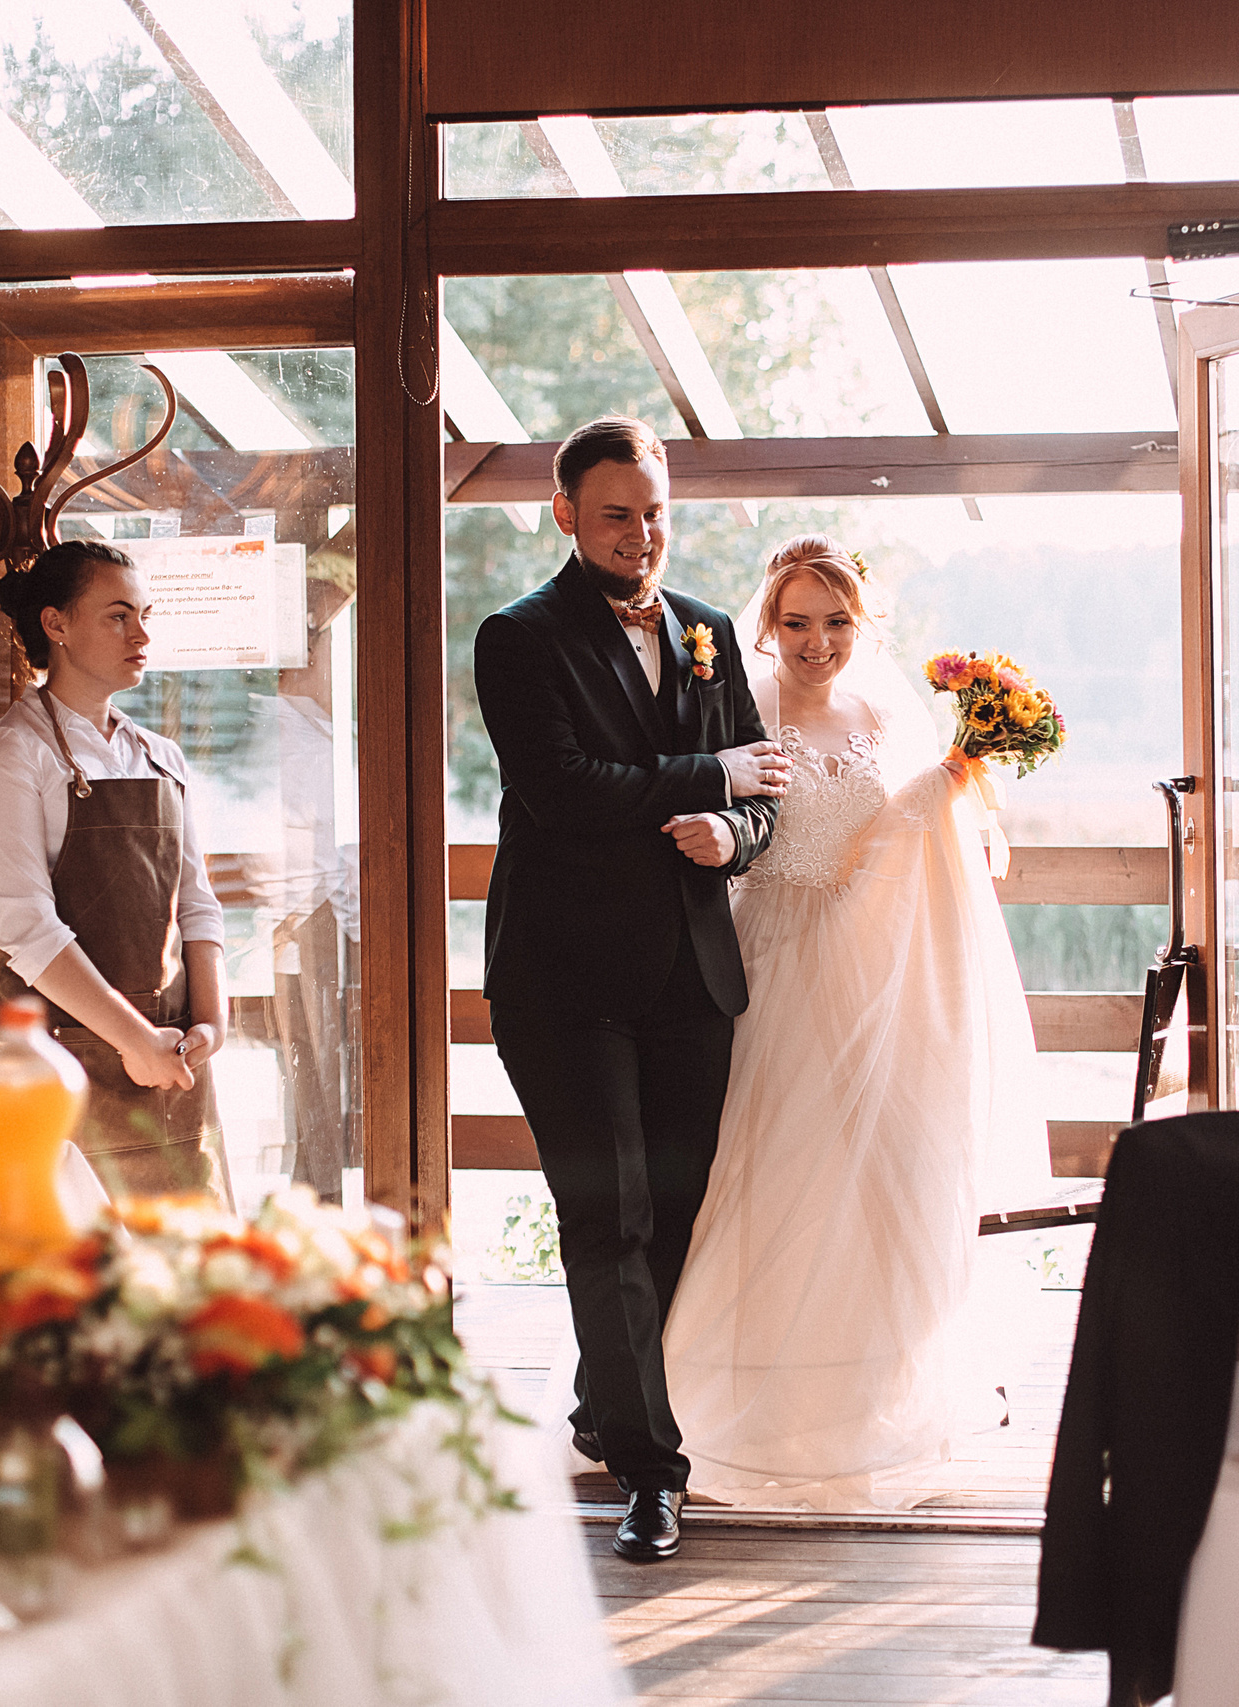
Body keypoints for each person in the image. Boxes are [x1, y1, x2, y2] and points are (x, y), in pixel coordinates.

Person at [661, 534, 1052, 1511]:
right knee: (770, 1169)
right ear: (768, 622)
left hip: (870, 968)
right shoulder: (741, 702)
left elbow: (901, 837)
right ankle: (731, 1400)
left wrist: (956, 774)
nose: (814, 641)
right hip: (771, 960)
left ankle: (870, 1393)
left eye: (833, 621)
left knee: (874, 1176)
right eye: (795, 621)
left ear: (862, 623)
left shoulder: (886, 708)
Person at [471, 416, 788, 1562]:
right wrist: (709, 775)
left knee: (673, 1217)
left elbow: (767, 786)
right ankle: (650, 1475)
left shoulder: (706, 631)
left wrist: (734, 833)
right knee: (606, 1219)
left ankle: (608, 1407)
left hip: (690, 977)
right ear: (564, 515)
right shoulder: (516, 638)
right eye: (615, 514)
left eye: (654, 512)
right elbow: (561, 790)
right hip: (564, 983)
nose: (640, 535)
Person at [0, 539, 231, 1203]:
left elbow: (198, 905)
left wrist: (211, 1023)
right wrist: (133, 1040)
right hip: (53, 1065)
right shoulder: (11, 753)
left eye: (145, 614)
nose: (141, 633)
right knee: (63, 1277)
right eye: (118, 616)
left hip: (168, 1062)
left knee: (181, 1275)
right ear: (55, 625)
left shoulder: (160, 755)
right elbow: (29, 930)